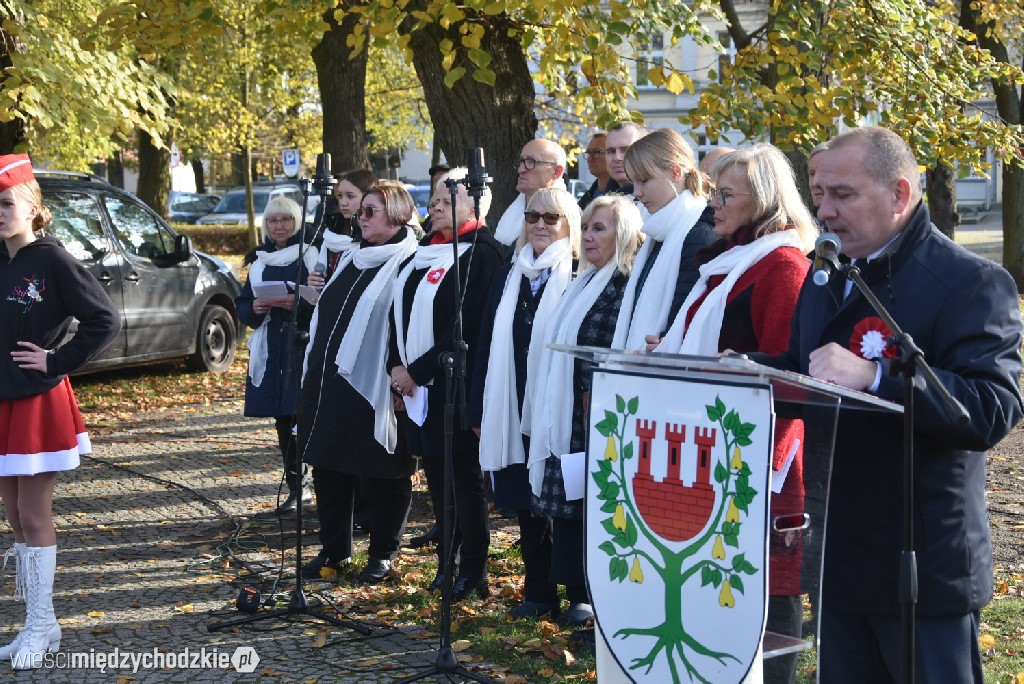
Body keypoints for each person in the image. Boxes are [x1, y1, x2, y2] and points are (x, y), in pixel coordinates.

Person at [754, 127, 1023, 683]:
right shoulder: (827, 271)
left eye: (843, 195)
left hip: (920, 564)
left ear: (899, 194)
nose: (824, 211)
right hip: (840, 552)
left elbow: (992, 408)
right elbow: (809, 366)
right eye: (820, 194)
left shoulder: (971, 282)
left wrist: (877, 377)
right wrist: (746, 370)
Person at [654, 144, 817, 683]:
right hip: (707, 450)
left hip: (758, 459)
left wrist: (740, 366)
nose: (713, 206)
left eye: (725, 195)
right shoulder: (728, 262)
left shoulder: (783, 265)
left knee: (768, 584)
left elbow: (788, 371)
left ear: (764, 202)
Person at [0, 154, 120, 668]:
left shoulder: (52, 258)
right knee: (12, 516)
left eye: (6, 203)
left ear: (32, 208)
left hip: (37, 399)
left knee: (33, 512)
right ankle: (43, 624)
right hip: (2, 399)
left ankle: (36, 625)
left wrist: (56, 359)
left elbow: (105, 319)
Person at [524, 194, 644, 628]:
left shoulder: (627, 285)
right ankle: (576, 591)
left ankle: (594, 596)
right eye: (588, 227)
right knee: (571, 509)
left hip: (602, 414)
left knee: (597, 508)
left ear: (625, 234)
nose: (589, 236)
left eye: (601, 228)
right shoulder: (584, 280)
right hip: (571, 412)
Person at [388, 167, 504, 601]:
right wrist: (396, 372)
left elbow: (466, 326)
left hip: (454, 386)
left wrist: (414, 372)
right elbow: (397, 314)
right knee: (438, 481)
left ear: (475, 204)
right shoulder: (424, 250)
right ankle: (446, 562)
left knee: (464, 482)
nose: (435, 206)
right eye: (434, 200)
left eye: (446, 199)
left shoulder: (484, 254)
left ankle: (473, 569)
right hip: (417, 389)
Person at [298, 182, 420, 583]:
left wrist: (404, 377)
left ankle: (383, 552)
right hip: (329, 379)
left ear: (399, 215)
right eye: (361, 210)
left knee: (383, 469)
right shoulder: (351, 256)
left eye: (371, 211)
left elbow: (411, 327)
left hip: (377, 384)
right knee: (328, 465)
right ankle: (334, 548)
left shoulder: (410, 261)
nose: (361, 217)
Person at [470, 188, 581, 619]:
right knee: (526, 503)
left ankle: (577, 594)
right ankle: (537, 592)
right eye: (532, 216)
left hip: (558, 410)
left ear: (568, 223)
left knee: (564, 505)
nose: (538, 224)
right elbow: (484, 344)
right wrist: (479, 410)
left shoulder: (578, 272)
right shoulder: (508, 273)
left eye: (550, 217)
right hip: (511, 403)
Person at [236, 196, 318, 515]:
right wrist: (253, 309)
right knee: (283, 418)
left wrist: (296, 303)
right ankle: (297, 487)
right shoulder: (258, 260)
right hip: (273, 346)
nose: (279, 226)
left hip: (304, 343)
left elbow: (325, 299)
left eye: (285, 220)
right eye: (272, 221)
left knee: (305, 413)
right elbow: (243, 303)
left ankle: (320, 483)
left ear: (296, 222)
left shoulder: (311, 255)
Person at [612, 128, 717, 351]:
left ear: (675, 173)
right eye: (634, 182)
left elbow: (687, 320)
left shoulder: (700, 234)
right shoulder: (657, 233)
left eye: (644, 181)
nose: (636, 192)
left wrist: (665, 342)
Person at [492, 139, 567, 250]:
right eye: (521, 161)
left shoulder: (567, 219)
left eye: (531, 162)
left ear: (557, 171)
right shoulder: (514, 210)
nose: (521, 169)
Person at [310, 169, 377, 287]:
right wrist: (314, 284)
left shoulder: (377, 235)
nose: (343, 202)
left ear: (369, 198)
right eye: (340, 196)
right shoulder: (333, 231)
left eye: (350, 197)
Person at [604, 122, 649, 197]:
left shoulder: (659, 201)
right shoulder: (605, 198)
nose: (617, 158)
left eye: (625, 150)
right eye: (611, 151)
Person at [577, 133, 618, 211]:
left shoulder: (624, 196)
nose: (590, 158)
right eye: (588, 153)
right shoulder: (586, 198)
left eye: (596, 152)